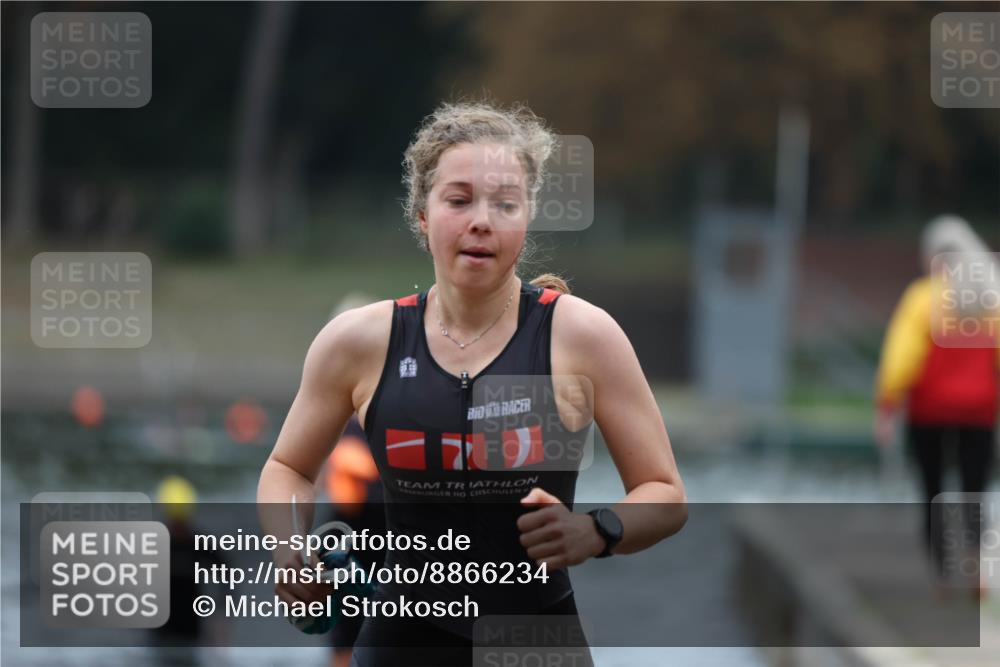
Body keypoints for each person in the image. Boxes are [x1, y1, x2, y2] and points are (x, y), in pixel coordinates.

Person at [258, 101, 687, 665]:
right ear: (422, 216)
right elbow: (287, 468)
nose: (482, 220)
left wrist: (596, 531)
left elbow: (665, 493)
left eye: (505, 204)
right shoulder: (358, 342)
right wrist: (291, 550)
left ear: (526, 217)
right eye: (459, 200)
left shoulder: (582, 335)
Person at [874, 214, 1000, 600]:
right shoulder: (988, 297)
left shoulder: (923, 298)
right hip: (979, 411)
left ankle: (943, 576)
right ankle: (977, 566)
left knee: (932, 491)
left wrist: (887, 405)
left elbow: (903, 356)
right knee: (974, 490)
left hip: (929, 412)